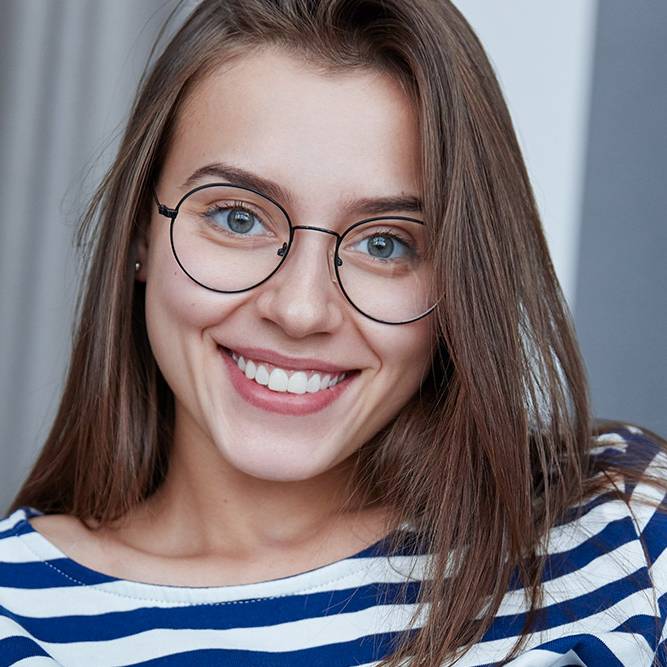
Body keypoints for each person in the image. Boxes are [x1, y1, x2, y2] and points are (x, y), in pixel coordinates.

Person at [1, 0, 666, 665]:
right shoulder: (16, 610)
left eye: (384, 243)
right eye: (237, 217)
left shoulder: (625, 525)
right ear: (140, 232)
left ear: (459, 279)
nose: (299, 309)